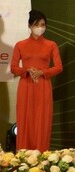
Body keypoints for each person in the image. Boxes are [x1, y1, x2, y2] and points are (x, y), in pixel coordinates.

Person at [10, 10, 63, 151]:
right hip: (26, 86)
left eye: (43, 25)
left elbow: (58, 67)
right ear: (29, 26)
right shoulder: (20, 45)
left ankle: (41, 154)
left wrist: (43, 72)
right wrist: (26, 70)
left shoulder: (51, 45)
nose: (40, 28)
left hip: (43, 86)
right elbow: (13, 68)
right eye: (36, 25)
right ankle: (23, 155)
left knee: (43, 120)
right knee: (25, 118)